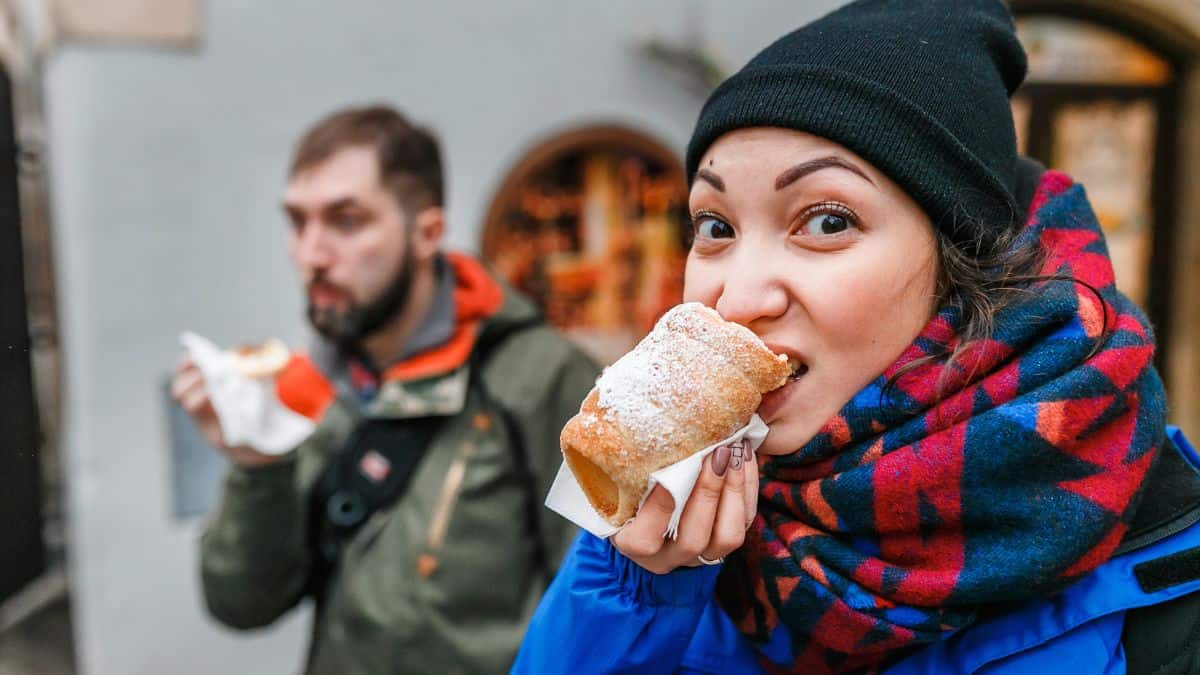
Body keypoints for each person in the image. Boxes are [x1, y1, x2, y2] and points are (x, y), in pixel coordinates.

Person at [513, 1, 1200, 673]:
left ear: (965, 267)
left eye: (827, 221)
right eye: (715, 226)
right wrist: (639, 594)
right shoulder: (666, 531)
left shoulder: (1171, 577)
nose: (740, 297)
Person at [170, 105, 598, 674]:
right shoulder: (307, 383)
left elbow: (597, 615)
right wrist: (255, 464)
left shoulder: (542, 378)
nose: (312, 255)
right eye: (298, 222)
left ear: (427, 233)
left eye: (346, 221)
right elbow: (242, 603)